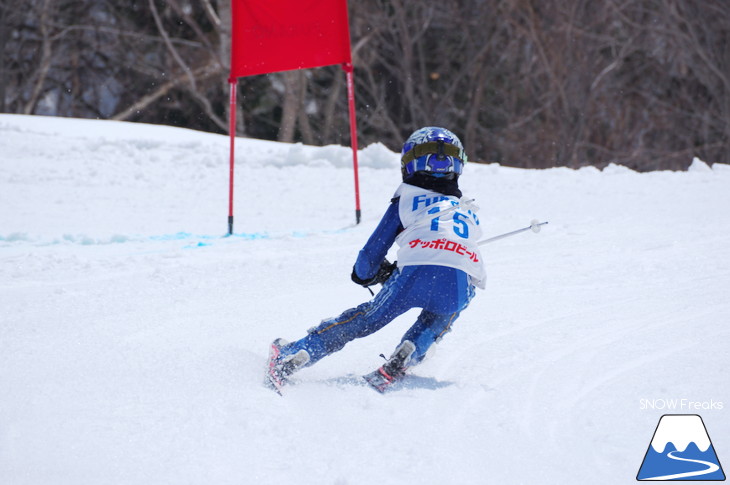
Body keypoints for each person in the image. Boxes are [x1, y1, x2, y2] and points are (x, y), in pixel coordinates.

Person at [266, 126, 486, 390]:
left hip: (414, 274)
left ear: (409, 162)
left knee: (366, 319)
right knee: (445, 311)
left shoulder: (406, 199)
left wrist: (367, 274)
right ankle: (409, 351)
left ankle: (300, 351)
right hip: (459, 280)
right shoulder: (466, 209)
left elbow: (371, 255)